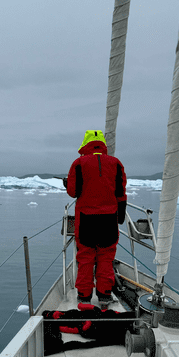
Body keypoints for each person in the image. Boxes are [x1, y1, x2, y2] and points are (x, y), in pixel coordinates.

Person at [64, 130, 127, 305]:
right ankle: (105, 294)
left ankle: (84, 296)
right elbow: (121, 192)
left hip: (86, 219)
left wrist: (66, 184)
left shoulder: (78, 163)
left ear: (86, 143)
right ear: (102, 145)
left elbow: (73, 192)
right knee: (106, 256)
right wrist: (120, 214)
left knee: (85, 257)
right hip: (108, 220)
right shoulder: (115, 163)